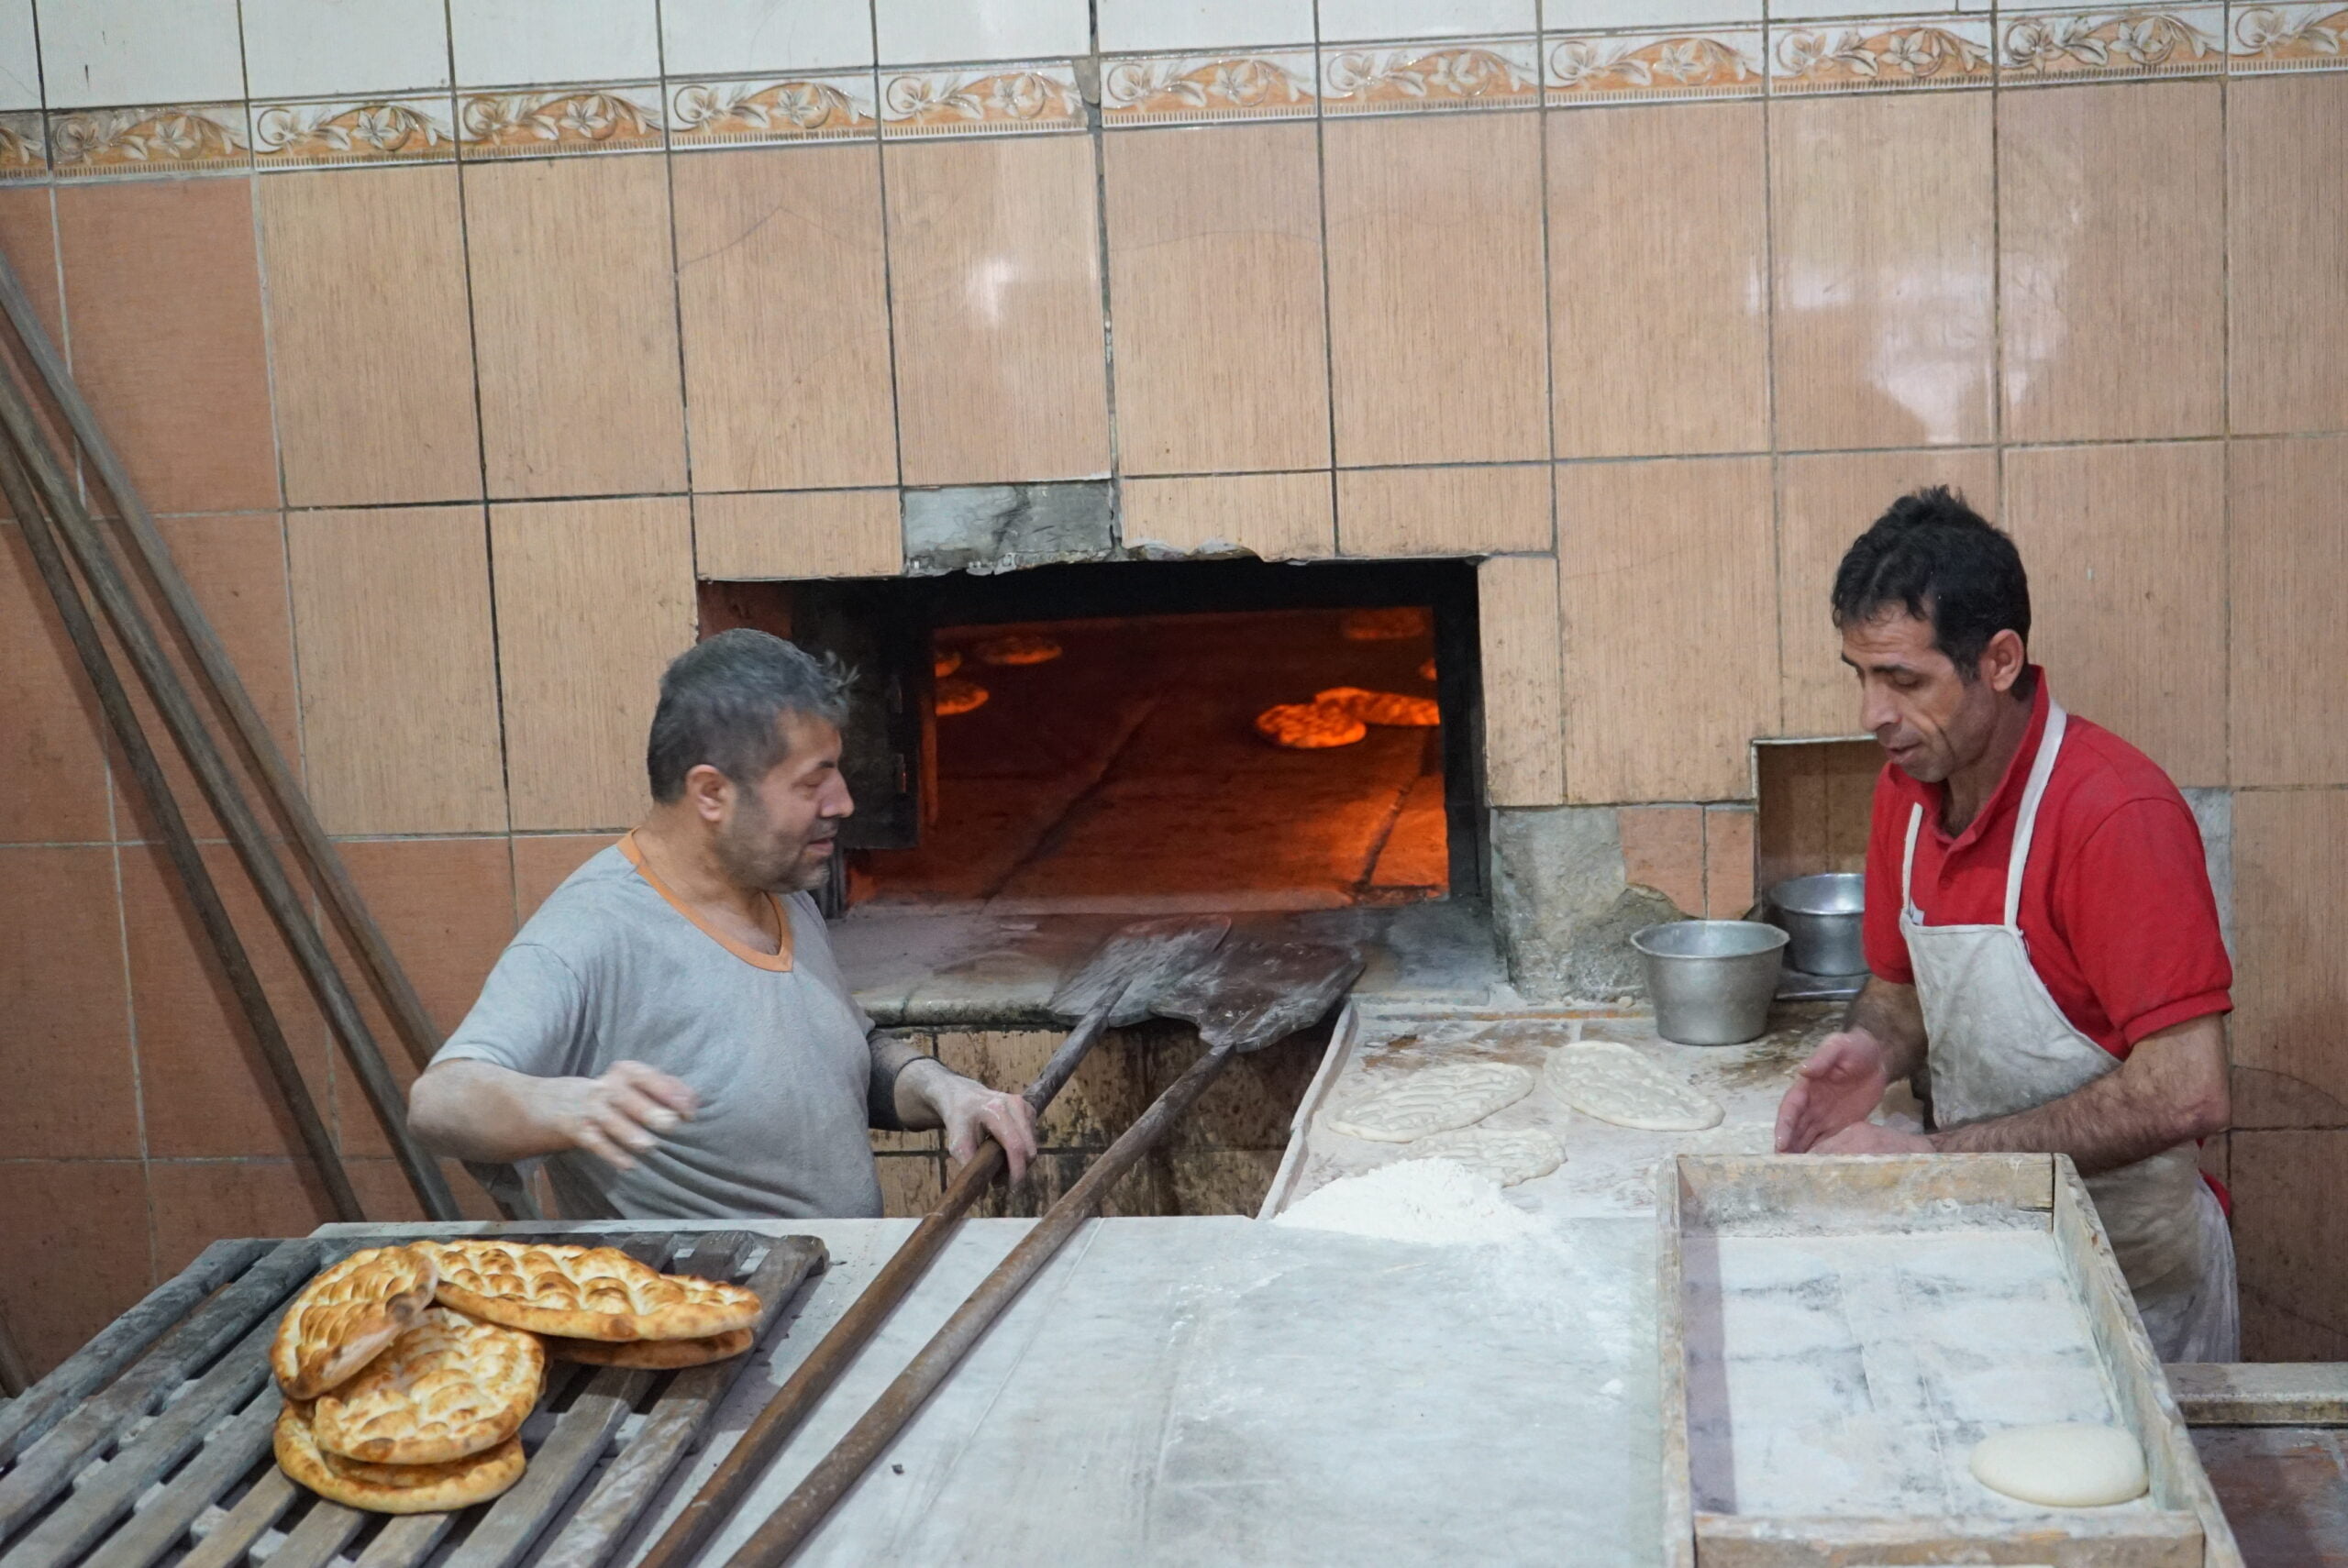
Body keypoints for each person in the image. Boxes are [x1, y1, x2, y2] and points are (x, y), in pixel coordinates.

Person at [1772, 489, 2236, 1362]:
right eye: (1861, 676)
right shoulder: (1907, 797)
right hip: (1985, 1252)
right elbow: (1901, 991)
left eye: (1904, 680)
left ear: (1999, 660)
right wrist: (1870, 1052)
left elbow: (2188, 1089)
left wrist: (1944, 1159)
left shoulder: (2112, 815)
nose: (1872, 714)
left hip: (2132, 1288)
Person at [409, 630, 1038, 1220]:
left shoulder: (777, 883)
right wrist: (569, 1105)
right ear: (711, 793)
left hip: (839, 1292)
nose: (842, 802)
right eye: (810, 783)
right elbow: (440, 1101)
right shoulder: (591, 933)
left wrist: (943, 1090)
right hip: (703, 1317)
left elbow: (844, 1055)